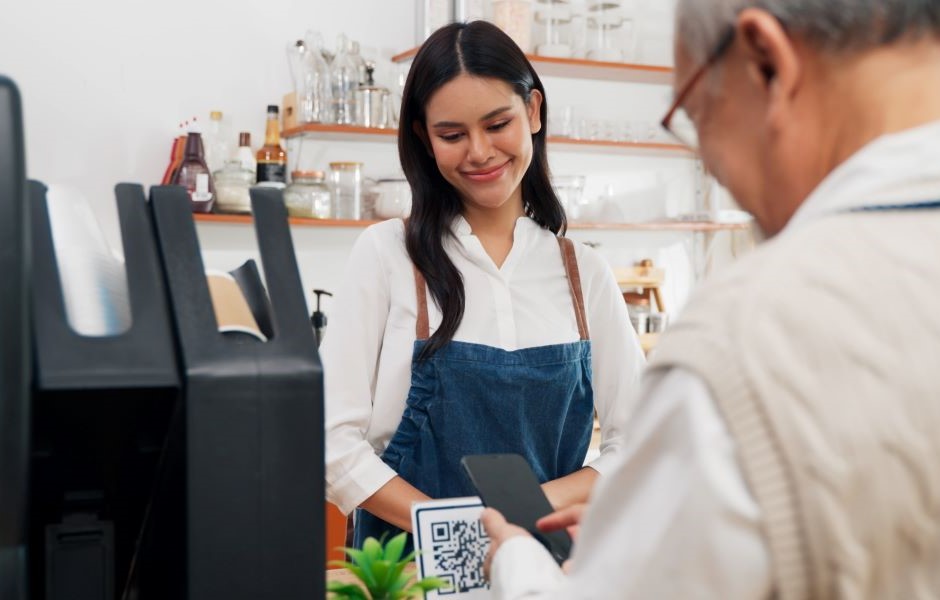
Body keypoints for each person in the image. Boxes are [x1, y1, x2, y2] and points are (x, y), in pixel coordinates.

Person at [482, 0, 940, 597]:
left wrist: (519, 563)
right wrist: (667, 530)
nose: (715, 166)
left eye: (697, 115)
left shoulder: (749, 337)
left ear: (765, 62)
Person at [321, 20, 645, 549]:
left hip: (544, 565)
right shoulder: (386, 254)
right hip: (409, 565)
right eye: (452, 134)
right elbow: (332, 442)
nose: (479, 151)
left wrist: (523, 514)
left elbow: (639, 443)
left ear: (533, 112)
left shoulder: (584, 272)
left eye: (498, 124)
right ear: (425, 140)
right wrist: (452, 530)